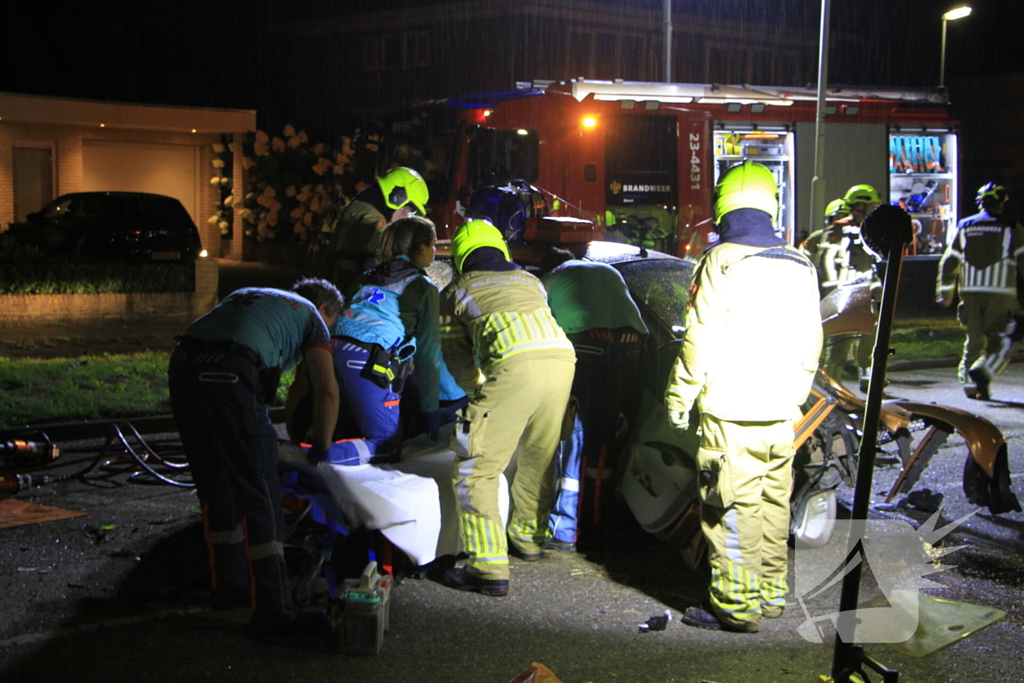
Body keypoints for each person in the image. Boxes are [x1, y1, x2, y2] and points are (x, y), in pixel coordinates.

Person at [665, 161, 822, 633]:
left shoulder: (721, 259)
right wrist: (795, 394)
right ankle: (770, 597)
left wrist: (679, 399)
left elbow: (700, 338)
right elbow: (811, 340)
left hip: (731, 411)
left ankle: (734, 608)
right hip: (781, 411)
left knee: (730, 506)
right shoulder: (800, 261)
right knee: (774, 503)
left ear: (722, 205)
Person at [168, 278, 342, 641]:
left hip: (183, 367)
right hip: (231, 369)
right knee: (262, 493)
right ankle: (273, 610)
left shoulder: (254, 296)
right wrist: (323, 445)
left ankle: (229, 587)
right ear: (326, 310)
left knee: (217, 484)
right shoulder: (311, 317)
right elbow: (324, 389)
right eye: (333, 325)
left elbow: (296, 384)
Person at [438, 219, 576, 596]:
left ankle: (486, 567)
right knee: (539, 456)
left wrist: (480, 391)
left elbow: (458, 359)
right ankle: (528, 540)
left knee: (475, 467)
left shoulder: (457, 290)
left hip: (514, 366)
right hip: (563, 360)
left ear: (460, 255)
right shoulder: (529, 280)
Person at [314, 215, 459, 464]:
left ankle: (316, 472)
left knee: (344, 431)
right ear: (421, 249)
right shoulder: (423, 286)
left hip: (330, 349)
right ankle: (308, 459)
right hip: (367, 359)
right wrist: (431, 406)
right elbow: (428, 353)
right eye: (433, 245)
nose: (435, 251)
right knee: (386, 446)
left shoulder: (367, 276)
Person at [539, 247, 649, 552]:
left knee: (573, 432)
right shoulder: (607, 271)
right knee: (606, 435)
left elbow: (541, 329)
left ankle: (564, 529)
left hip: (586, 342)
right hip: (632, 344)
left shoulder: (550, 278)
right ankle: (599, 523)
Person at [936, 182, 1024, 400]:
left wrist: (945, 291)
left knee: (974, 340)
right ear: (1002, 202)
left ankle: (969, 386)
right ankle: (983, 372)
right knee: (1001, 339)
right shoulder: (1012, 226)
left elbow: (950, 260)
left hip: (970, 293)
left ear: (980, 203)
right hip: (1000, 292)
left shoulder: (965, 225)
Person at [316, 166, 429, 293]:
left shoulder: (361, 206)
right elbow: (378, 264)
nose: (407, 216)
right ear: (396, 197)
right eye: (409, 209)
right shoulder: (374, 220)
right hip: (347, 297)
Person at [823, 184, 882, 390]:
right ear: (860, 206)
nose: (875, 209)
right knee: (841, 346)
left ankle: (867, 384)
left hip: (857, 294)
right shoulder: (844, 229)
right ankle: (832, 389)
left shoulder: (849, 228)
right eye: (871, 205)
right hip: (849, 294)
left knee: (869, 342)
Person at [799, 198, 852, 298]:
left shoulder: (855, 238)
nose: (839, 221)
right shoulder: (819, 237)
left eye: (843, 217)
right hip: (824, 293)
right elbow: (803, 257)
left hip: (849, 291)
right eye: (835, 218)